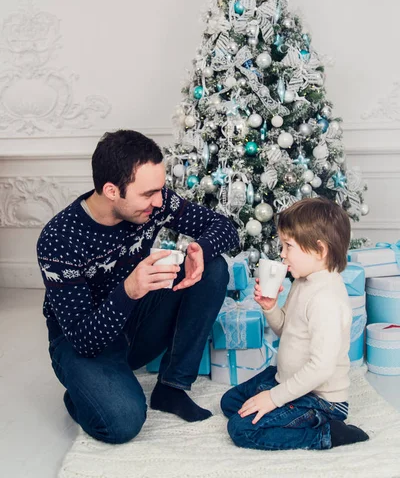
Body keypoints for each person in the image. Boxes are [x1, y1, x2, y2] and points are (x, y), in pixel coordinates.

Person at [37, 129, 239, 444]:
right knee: (122, 423)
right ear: (111, 190)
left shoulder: (155, 203)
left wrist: (201, 248)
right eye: (148, 194)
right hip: (83, 343)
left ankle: (172, 388)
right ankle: (82, 395)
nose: (158, 201)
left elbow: (225, 228)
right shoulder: (60, 240)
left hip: (136, 320)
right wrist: (128, 290)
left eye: (160, 190)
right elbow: (83, 341)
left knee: (213, 267)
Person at [221, 197, 369, 451]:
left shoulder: (327, 299)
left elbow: (321, 369)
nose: (282, 254)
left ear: (319, 250)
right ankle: (285, 404)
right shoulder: (304, 281)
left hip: (321, 400)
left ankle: (326, 434)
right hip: (291, 381)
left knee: (241, 428)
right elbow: (285, 330)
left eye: (288, 246)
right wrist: (270, 308)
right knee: (231, 401)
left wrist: (274, 398)